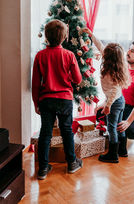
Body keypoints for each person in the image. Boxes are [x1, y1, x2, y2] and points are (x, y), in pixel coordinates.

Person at [32, 20, 82, 180]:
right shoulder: (69, 55)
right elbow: (78, 79)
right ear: (64, 37)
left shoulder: (40, 56)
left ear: (46, 36)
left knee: (45, 133)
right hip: (65, 99)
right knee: (67, 130)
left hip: (46, 100)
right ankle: (72, 163)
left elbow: (35, 83)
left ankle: (43, 168)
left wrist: (36, 102)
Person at [83, 28, 130, 163]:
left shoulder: (112, 72)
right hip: (120, 101)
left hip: (114, 102)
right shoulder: (115, 65)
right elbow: (100, 46)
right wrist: (91, 35)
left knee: (112, 128)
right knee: (119, 126)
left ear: (108, 57)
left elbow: (114, 91)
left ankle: (113, 155)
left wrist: (108, 105)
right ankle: (123, 151)